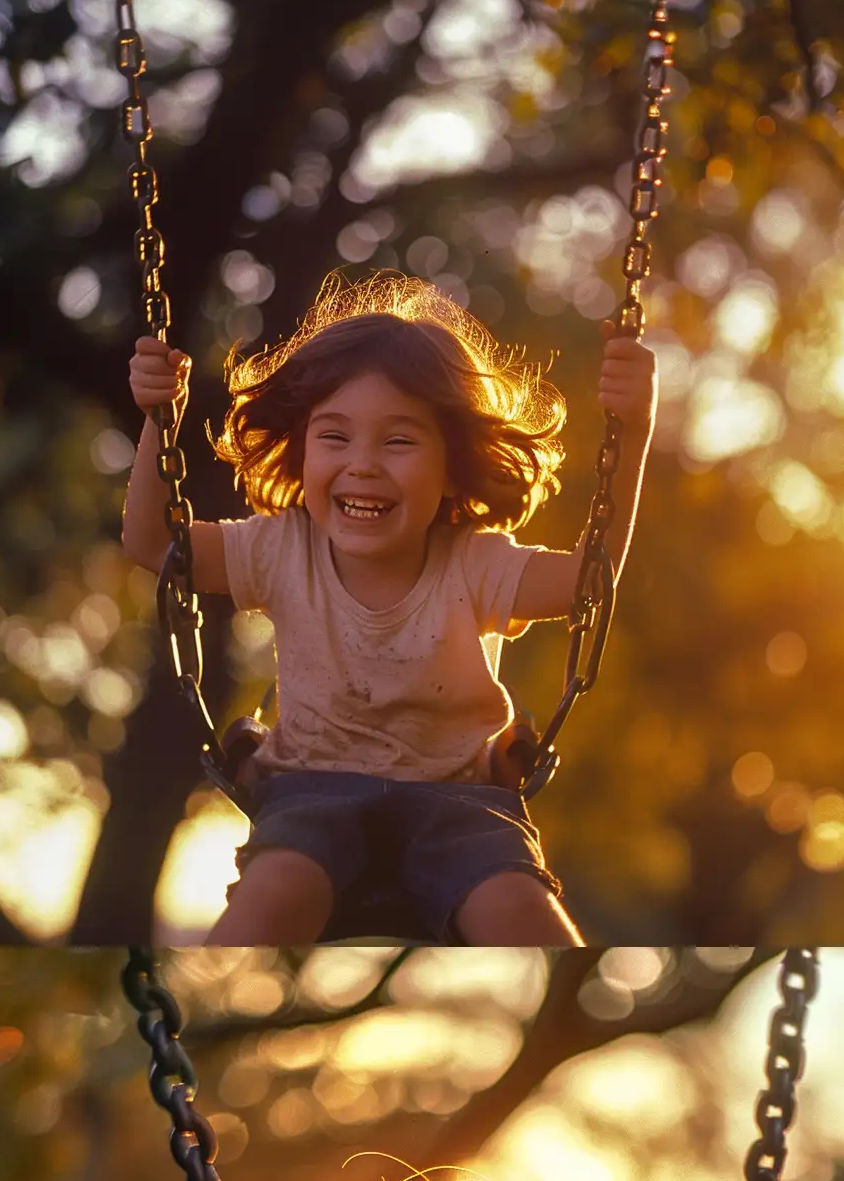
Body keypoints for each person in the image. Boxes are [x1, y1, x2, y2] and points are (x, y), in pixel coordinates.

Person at [124, 270, 657, 946]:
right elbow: (152, 544)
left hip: (461, 804)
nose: (364, 464)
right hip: (309, 793)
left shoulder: (473, 562)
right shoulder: (282, 548)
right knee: (272, 897)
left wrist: (632, 432)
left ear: (452, 463)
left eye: (399, 441)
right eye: (335, 437)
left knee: (521, 915)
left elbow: (591, 581)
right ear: (301, 446)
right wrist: (155, 420)